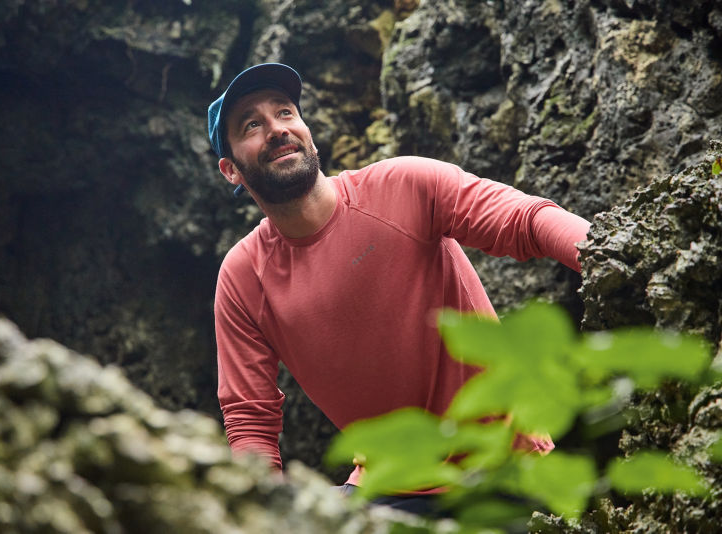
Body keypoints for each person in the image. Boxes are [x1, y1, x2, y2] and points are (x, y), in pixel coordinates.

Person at [207, 63, 590, 513]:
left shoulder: (404, 186)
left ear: (307, 130)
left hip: (507, 468)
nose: (276, 129)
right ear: (231, 170)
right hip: (388, 491)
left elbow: (525, 220)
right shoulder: (243, 276)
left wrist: (608, 254)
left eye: (286, 112)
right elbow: (251, 418)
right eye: (252, 124)